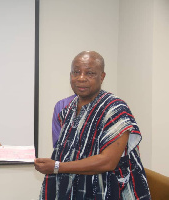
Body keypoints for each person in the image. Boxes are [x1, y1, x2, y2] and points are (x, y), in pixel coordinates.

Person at [34, 51, 151, 200]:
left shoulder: (115, 109)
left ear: (102, 77)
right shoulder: (67, 110)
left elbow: (108, 162)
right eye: (76, 72)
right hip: (75, 190)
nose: (81, 78)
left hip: (110, 192)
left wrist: (57, 167)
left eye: (90, 73)